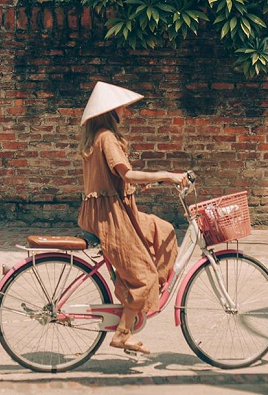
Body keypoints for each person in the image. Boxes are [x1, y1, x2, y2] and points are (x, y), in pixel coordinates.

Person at [77, 81, 188, 355]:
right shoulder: (107, 137)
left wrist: (140, 185)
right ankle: (123, 332)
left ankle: (141, 300)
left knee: (164, 231)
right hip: (110, 217)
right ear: (110, 112)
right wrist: (167, 175)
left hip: (115, 211)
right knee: (144, 274)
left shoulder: (99, 137)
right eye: (122, 108)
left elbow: (118, 180)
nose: (126, 112)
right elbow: (126, 174)